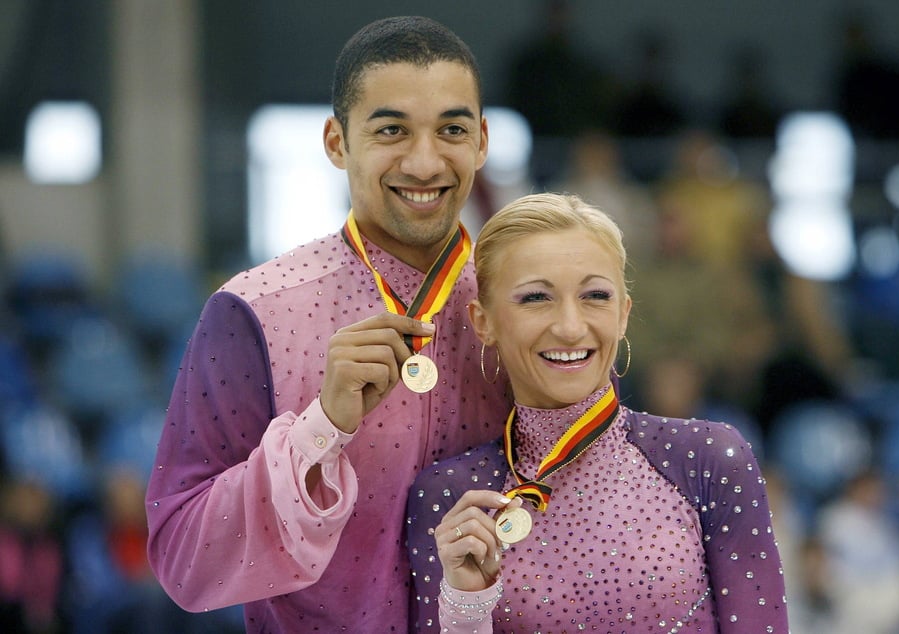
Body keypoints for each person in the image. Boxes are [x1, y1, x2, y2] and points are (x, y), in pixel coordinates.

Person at [145, 16, 511, 632]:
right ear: (336, 142)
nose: (424, 162)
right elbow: (184, 559)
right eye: (391, 129)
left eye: (450, 129)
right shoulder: (252, 312)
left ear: (481, 141)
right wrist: (322, 427)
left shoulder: (523, 309)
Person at [407, 193, 789, 633]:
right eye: (535, 298)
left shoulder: (707, 457)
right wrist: (467, 609)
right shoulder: (450, 497)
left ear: (623, 313)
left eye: (595, 295)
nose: (570, 327)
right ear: (483, 321)